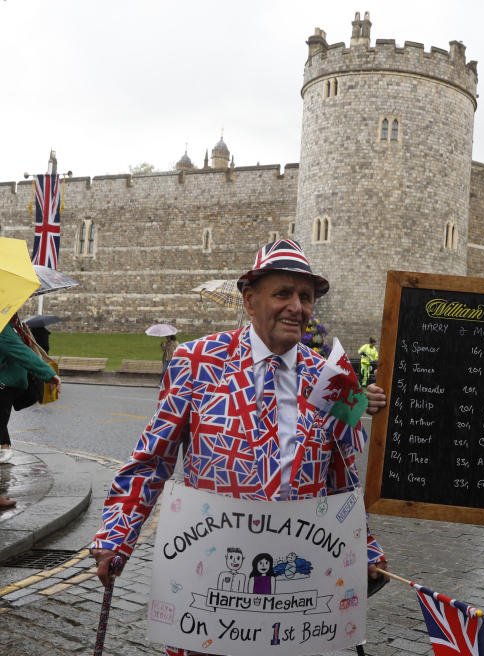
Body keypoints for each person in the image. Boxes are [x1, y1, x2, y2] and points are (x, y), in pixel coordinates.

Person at [89, 239, 389, 656]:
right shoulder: (196, 362)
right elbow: (151, 461)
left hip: (294, 581)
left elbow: (342, 477)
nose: (296, 307)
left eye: (305, 297)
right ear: (250, 301)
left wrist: (364, 547)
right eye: (283, 293)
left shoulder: (332, 377)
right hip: (211, 577)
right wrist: (117, 536)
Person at [1, 313, 63, 471]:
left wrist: (47, 374)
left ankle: (5, 449)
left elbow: (21, 350)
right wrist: (47, 373)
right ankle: (4, 448)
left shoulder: (9, 325)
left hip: (7, 383)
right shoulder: (7, 324)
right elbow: (19, 351)